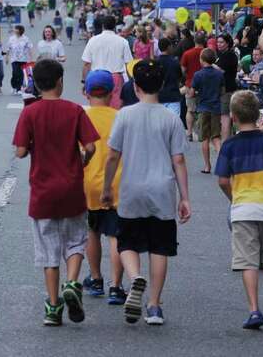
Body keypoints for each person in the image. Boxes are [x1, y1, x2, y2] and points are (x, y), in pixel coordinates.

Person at [100, 60, 191, 326]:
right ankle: (153, 306)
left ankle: (134, 277)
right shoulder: (171, 118)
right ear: (161, 85)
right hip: (162, 189)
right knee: (160, 246)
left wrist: (107, 188)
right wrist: (185, 197)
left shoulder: (124, 115)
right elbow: (179, 160)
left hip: (132, 188)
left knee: (127, 241)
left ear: (135, 86)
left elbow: (113, 156)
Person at [12, 59, 100, 327]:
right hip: (72, 188)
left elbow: (20, 151)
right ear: (60, 81)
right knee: (75, 241)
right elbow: (91, 147)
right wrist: (83, 160)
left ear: (36, 85)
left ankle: (52, 306)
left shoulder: (30, 112)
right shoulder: (74, 110)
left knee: (48, 252)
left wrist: (31, 145)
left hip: (43, 191)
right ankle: (72, 283)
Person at [215, 90, 263, 330]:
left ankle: (254, 310)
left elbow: (223, 180)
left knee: (248, 261)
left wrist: (234, 198)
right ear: (258, 114)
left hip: (244, 209)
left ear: (233, 116)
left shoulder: (229, 145)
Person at [80, 70, 125, 304]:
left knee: (92, 231)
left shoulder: (82, 117)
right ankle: (116, 286)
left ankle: (96, 279)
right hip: (116, 183)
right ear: (112, 92)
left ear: (86, 93)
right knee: (115, 235)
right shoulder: (120, 118)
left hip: (88, 183)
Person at [81, 15, 133, 108]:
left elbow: (86, 64)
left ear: (103, 26)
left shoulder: (93, 40)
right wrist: (131, 82)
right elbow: (128, 64)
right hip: (115, 78)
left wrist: (85, 82)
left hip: (97, 77)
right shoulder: (122, 41)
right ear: (114, 26)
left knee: (98, 107)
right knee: (115, 108)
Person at [191, 48, 224, 174]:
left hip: (203, 108)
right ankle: (222, 163)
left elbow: (192, 93)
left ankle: (207, 166)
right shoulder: (219, 74)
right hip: (216, 108)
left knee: (205, 138)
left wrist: (195, 93)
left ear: (202, 59)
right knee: (216, 137)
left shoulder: (198, 75)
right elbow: (222, 91)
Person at [7, 25, 32, 95]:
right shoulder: (11, 38)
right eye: (15, 29)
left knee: (21, 74)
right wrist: (7, 57)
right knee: (15, 73)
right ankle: (14, 86)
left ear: (20, 30)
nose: (14, 30)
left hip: (23, 59)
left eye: (16, 29)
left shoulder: (26, 39)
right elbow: (8, 48)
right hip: (14, 59)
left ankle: (19, 88)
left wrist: (30, 58)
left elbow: (30, 48)